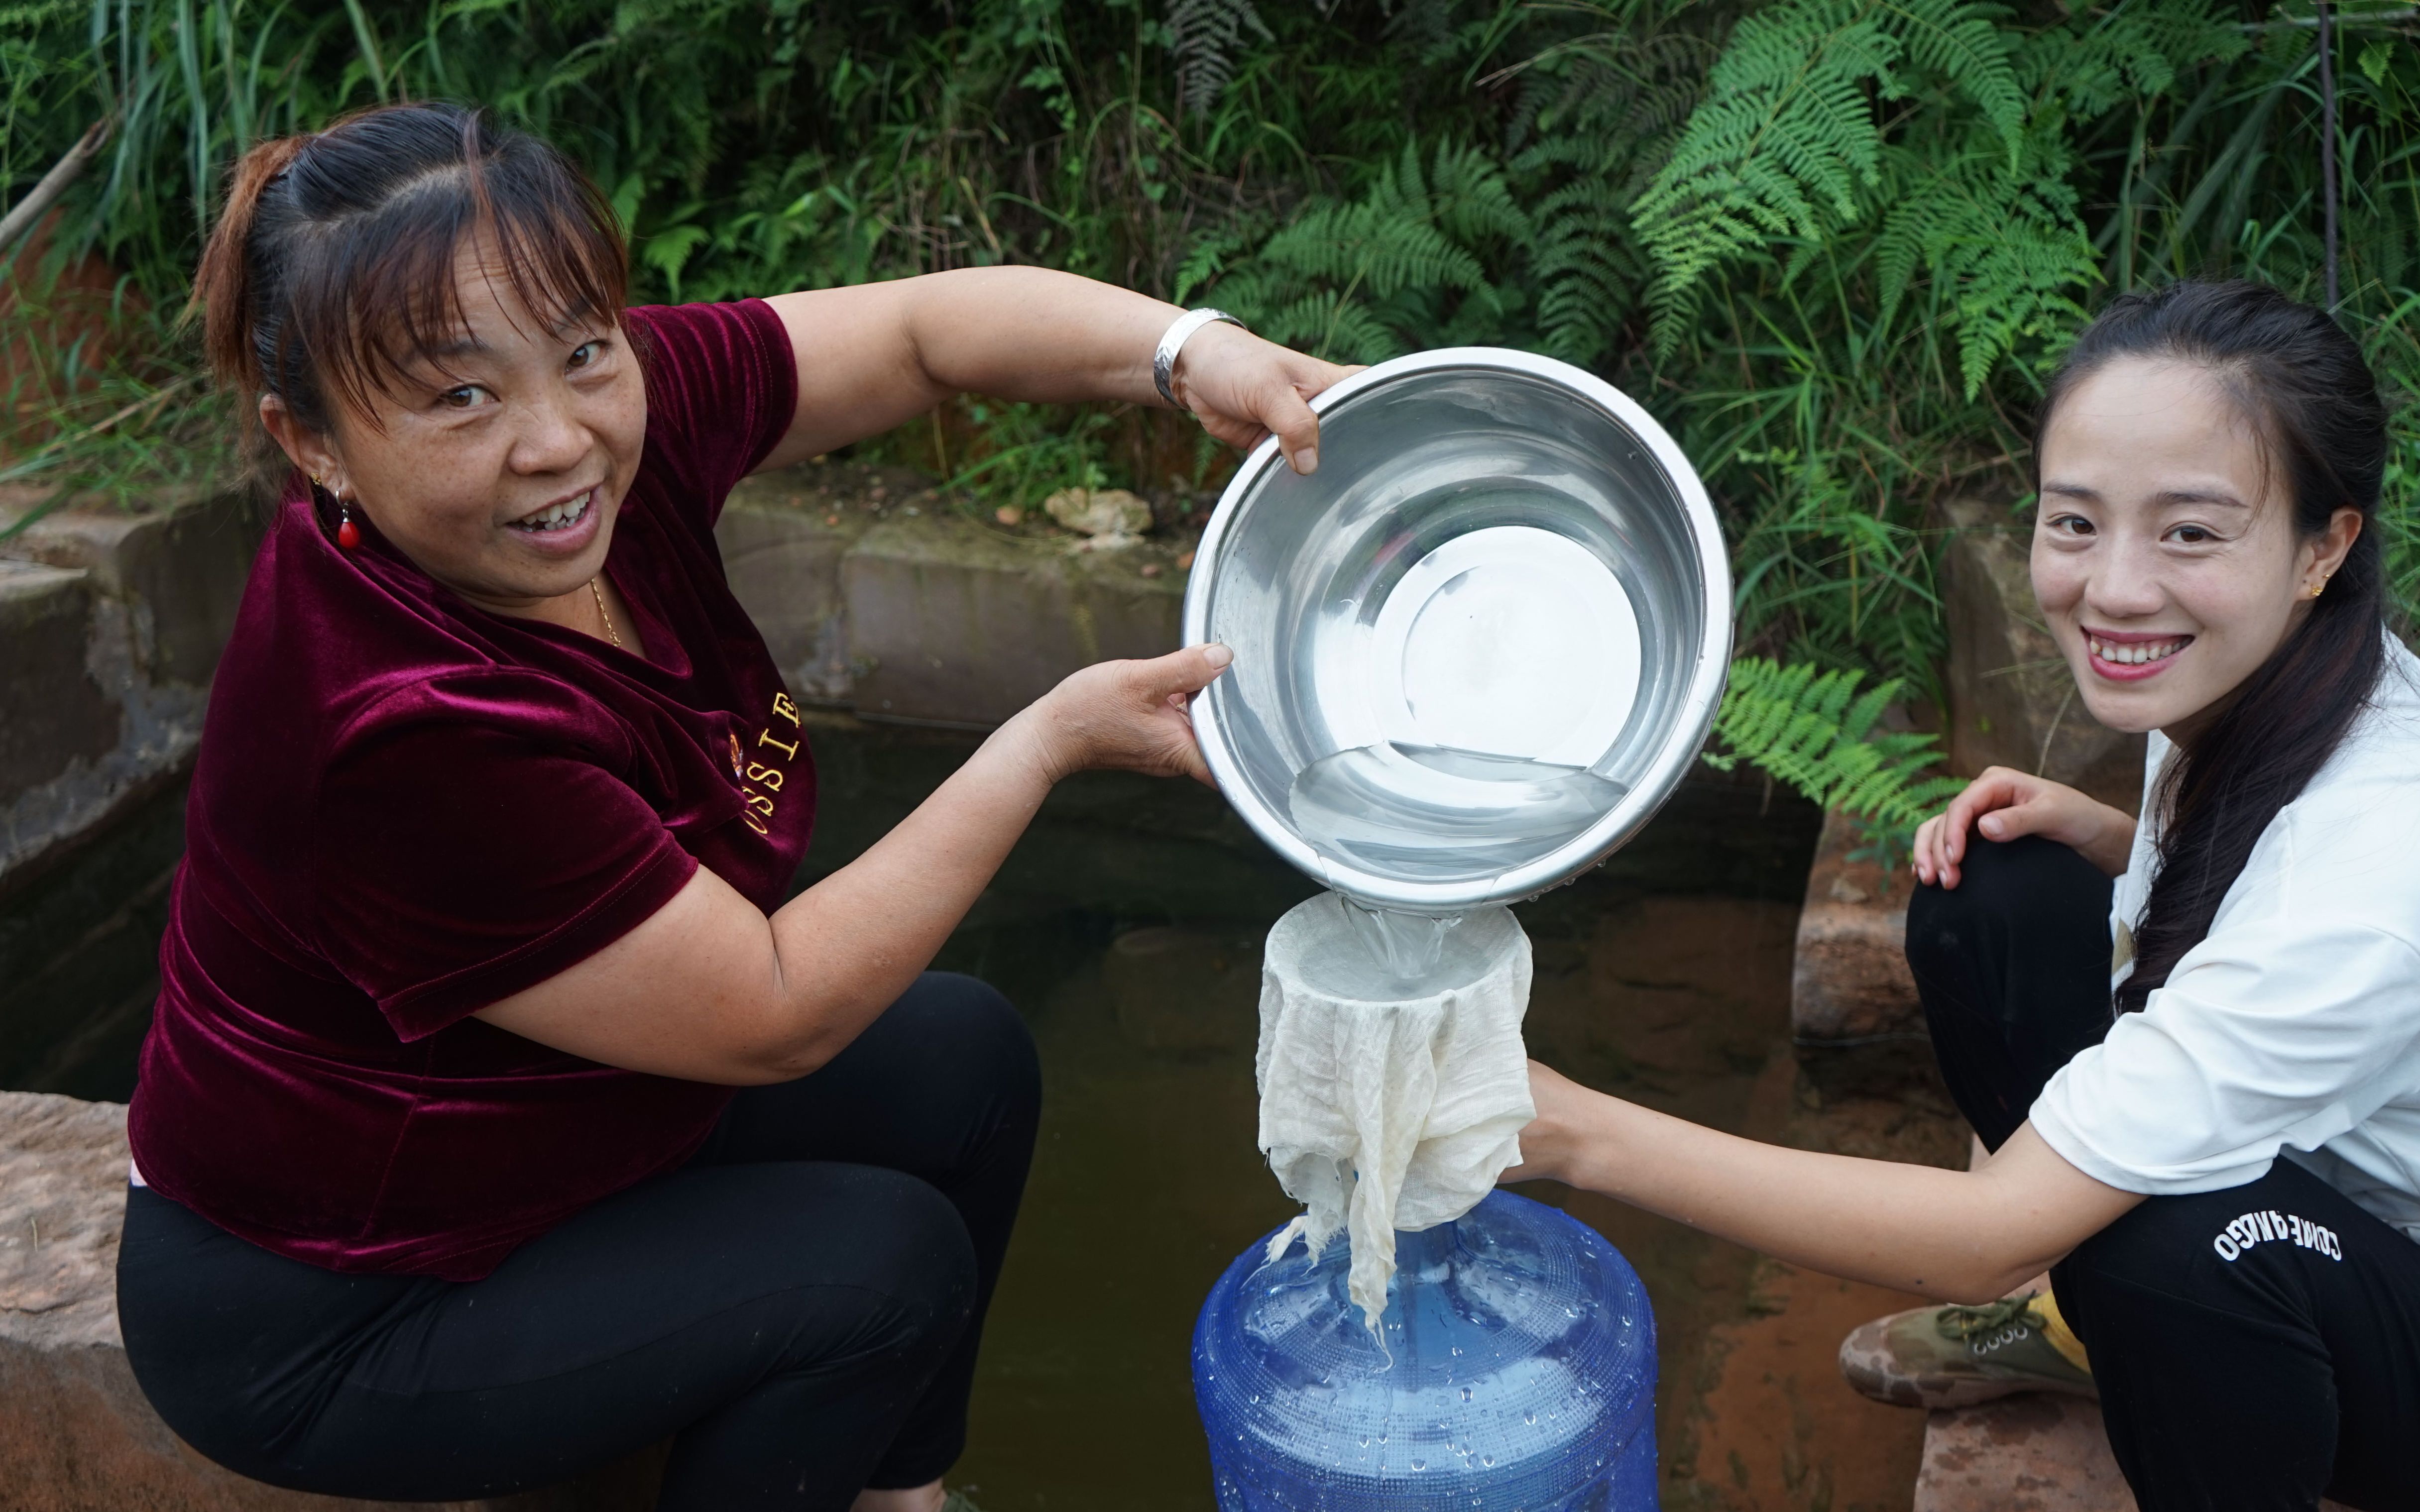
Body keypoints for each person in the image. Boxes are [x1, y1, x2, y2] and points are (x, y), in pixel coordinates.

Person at [114, 101, 1348, 1512]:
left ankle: (894, 1492)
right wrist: (1043, 741)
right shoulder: (396, 726)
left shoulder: (593, 454)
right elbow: (769, 1009)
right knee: (877, 1267)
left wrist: (1192, 350)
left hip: (539, 1129)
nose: (553, 439)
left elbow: (918, 335)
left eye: (583, 349)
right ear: (314, 441)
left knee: (959, 1054)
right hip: (338, 1297)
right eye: (458, 396)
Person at [1511, 280, 2420, 1510]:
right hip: (2321, 1178)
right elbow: (2272, 895)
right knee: (1992, 892)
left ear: (2325, 546)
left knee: (2173, 1243)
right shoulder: (2250, 680)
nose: (2114, 590)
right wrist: (2112, 835)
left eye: (2191, 533)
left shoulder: (2371, 856)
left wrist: (1576, 1131)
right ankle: (2093, 1333)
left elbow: (1994, 1228)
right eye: (2075, 522)